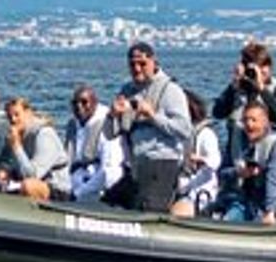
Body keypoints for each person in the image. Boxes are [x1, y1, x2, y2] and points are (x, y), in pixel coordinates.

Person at [104, 41, 192, 213]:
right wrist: (112, 115)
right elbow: (109, 135)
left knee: (148, 210)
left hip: (161, 163)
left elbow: (184, 129)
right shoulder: (127, 91)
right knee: (107, 204)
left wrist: (153, 116)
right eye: (132, 65)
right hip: (136, 165)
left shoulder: (170, 90)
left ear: (153, 62)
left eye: (142, 64)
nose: (137, 69)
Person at [213, 41, 276, 162]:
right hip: (235, 154)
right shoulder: (237, 88)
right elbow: (217, 113)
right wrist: (234, 86)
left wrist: (262, 90)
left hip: (266, 155)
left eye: (262, 67)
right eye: (254, 68)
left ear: (269, 67)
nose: (259, 72)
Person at [211, 100, 276, 225]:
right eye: (246, 120)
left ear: (265, 122)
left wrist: (270, 211)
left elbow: (274, 179)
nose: (249, 125)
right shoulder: (236, 141)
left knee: (234, 216)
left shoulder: (274, 145)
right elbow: (220, 173)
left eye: (254, 120)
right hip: (232, 198)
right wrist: (238, 172)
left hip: (257, 204)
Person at [61, 84, 124, 203]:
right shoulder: (72, 124)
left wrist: (79, 193)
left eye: (84, 102)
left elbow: (108, 171)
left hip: (95, 187)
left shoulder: (106, 124)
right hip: (74, 182)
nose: (79, 107)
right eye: (75, 103)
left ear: (95, 102)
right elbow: (67, 161)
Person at [2, 96, 69, 201]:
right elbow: (18, 168)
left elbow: (33, 175)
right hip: (29, 181)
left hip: (57, 189)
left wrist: (16, 147)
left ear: (28, 113)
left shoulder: (44, 134)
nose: (13, 120)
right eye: (9, 117)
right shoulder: (18, 135)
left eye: (17, 115)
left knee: (28, 185)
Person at [170, 91, 224, 218]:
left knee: (178, 211)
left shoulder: (205, 134)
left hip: (199, 190)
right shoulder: (175, 134)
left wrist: (201, 159)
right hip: (178, 188)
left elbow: (215, 161)